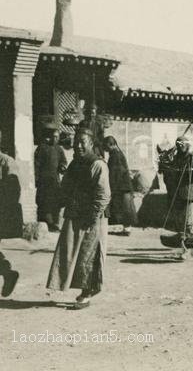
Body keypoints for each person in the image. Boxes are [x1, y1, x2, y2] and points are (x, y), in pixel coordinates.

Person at [46, 129, 110, 309]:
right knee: (70, 253)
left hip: (92, 217)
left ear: (91, 144)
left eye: (83, 142)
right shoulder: (74, 164)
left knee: (90, 254)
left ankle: (88, 292)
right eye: (76, 143)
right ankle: (80, 289)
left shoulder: (98, 165)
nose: (79, 146)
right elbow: (65, 187)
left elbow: (104, 195)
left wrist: (93, 216)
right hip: (74, 213)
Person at [169, 136, 193, 234]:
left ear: (187, 145)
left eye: (182, 144)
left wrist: (190, 171)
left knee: (191, 225)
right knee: (181, 225)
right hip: (180, 195)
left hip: (192, 194)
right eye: (178, 145)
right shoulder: (176, 158)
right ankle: (185, 244)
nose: (180, 147)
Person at [34, 128, 67, 231]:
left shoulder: (59, 149)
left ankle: (54, 223)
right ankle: (47, 223)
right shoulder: (42, 148)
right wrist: (37, 178)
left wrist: (62, 166)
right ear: (48, 137)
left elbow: (63, 161)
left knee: (56, 201)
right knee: (44, 202)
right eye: (53, 136)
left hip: (55, 180)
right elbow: (36, 164)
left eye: (57, 137)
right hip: (44, 180)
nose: (55, 139)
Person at [103, 136, 136, 236]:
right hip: (122, 185)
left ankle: (127, 230)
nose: (105, 149)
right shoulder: (116, 153)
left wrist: (111, 185)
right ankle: (126, 229)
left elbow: (115, 172)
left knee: (125, 208)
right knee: (124, 208)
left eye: (106, 146)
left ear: (110, 145)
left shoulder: (115, 155)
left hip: (122, 186)